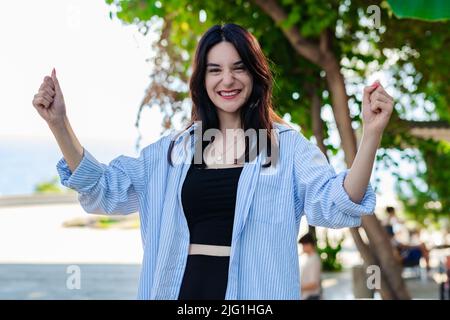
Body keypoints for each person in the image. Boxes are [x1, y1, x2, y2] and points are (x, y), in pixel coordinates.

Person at [31, 23, 393, 300]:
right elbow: (103, 190)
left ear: (255, 73)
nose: (227, 80)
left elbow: (336, 204)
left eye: (238, 68)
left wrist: (371, 134)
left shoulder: (289, 148)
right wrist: (59, 124)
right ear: (201, 79)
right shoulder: (170, 153)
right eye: (214, 70)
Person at [298, 233, 322, 300]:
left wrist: (297, 288)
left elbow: (314, 284)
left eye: (303, 245)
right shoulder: (308, 258)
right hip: (307, 296)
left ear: (309, 245)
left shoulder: (314, 259)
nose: (302, 247)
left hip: (311, 297)